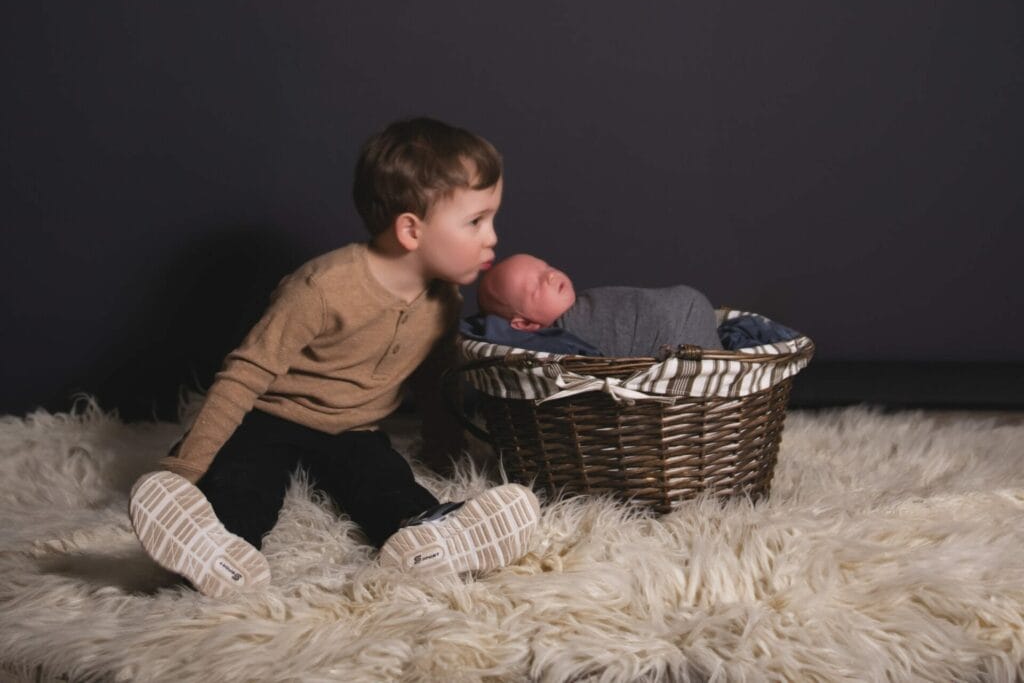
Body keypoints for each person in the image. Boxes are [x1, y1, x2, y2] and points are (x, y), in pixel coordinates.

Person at [128, 118, 541, 598]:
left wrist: (445, 452)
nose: (492, 237)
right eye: (476, 221)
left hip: (353, 429)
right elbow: (244, 374)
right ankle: (220, 546)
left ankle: (425, 534)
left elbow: (437, 380)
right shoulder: (321, 287)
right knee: (245, 478)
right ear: (411, 229)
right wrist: (184, 469)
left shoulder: (444, 300)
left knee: (382, 479)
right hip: (272, 417)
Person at [474, 253, 722, 357]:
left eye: (546, 267)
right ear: (526, 324)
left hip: (681, 308)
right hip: (677, 334)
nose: (550, 275)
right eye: (537, 285)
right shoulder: (560, 340)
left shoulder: (586, 301)